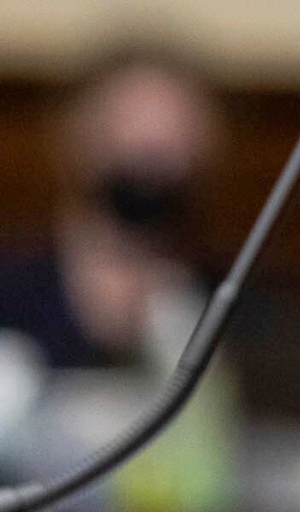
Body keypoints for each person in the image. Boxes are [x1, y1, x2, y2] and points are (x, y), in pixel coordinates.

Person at [0, 41, 224, 374]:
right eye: (129, 121)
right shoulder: (12, 292)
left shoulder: (227, 302)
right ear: (76, 131)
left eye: (174, 130)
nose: (151, 148)